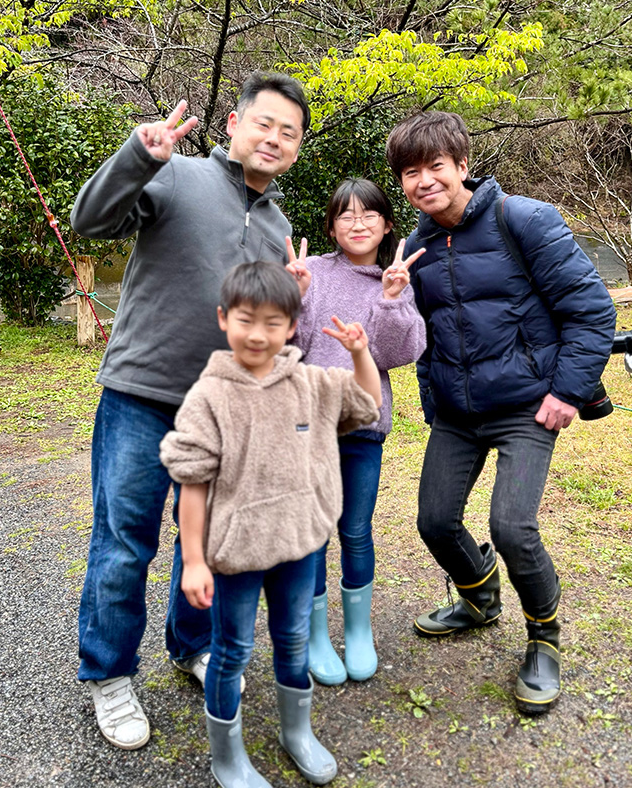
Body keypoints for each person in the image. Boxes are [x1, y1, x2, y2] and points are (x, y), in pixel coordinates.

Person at [69, 72, 311, 750]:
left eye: (288, 132)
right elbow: (90, 220)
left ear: (295, 148)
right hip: (143, 395)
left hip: (225, 409)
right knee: (124, 544)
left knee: (206, 543)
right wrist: (138, 155)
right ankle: (109, 674)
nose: (274, 138)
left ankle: (192, 645)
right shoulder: (176, 178)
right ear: (233, 125)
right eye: (264, 123)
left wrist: (296, 298)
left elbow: (267, 328)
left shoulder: (277, 225)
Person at [385, 111, 616, 714]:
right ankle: (480, 597)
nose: (425, 181)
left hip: (527, 407)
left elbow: (591, 311)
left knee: (511, 527)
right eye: (411, 172)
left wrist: (567, 391)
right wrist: (433, 399)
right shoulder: (416, 248)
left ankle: (544, 638)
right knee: (435, 522)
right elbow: (423, 333)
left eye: (436, 166)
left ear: (462, 165)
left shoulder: (525, 219)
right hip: (458, 414)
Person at [159, 261, 381, 787]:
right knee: (232, 651)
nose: (258, 334)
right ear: (223, 319)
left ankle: (296, 732)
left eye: (273, 322)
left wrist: (359, 352)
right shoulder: (208, 397)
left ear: (291, 324)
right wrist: (193, 561)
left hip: (300, 544)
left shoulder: (311, 383)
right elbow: (191, 484)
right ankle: (227, 756)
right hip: (235, 555)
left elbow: (367, 403)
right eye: (246, 319)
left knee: (293, 641)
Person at [288, 179, 426, 685]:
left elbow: (399, 354)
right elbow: (288, 347)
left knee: (356, 530)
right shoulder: (314, 273)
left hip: (364, 427)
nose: (358, 223)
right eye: (345, 215)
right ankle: (316, 634)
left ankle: (359, 630)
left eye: (368, 214)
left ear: (387, 223)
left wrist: (391, 299)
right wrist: (297, 297)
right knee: (313, 535)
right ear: (330, 226)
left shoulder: (395, 278)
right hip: (308, 427)